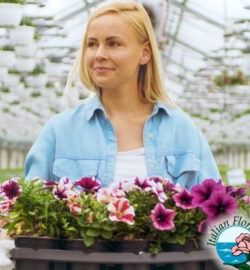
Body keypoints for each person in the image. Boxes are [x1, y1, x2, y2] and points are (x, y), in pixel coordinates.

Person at [24, 0, 220, 190]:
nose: (99, 54)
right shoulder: (60, 131)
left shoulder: (182, 130)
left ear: (145, 53)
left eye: (113, 44)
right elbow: (28, 213)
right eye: (92, 44)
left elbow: (218, 211)